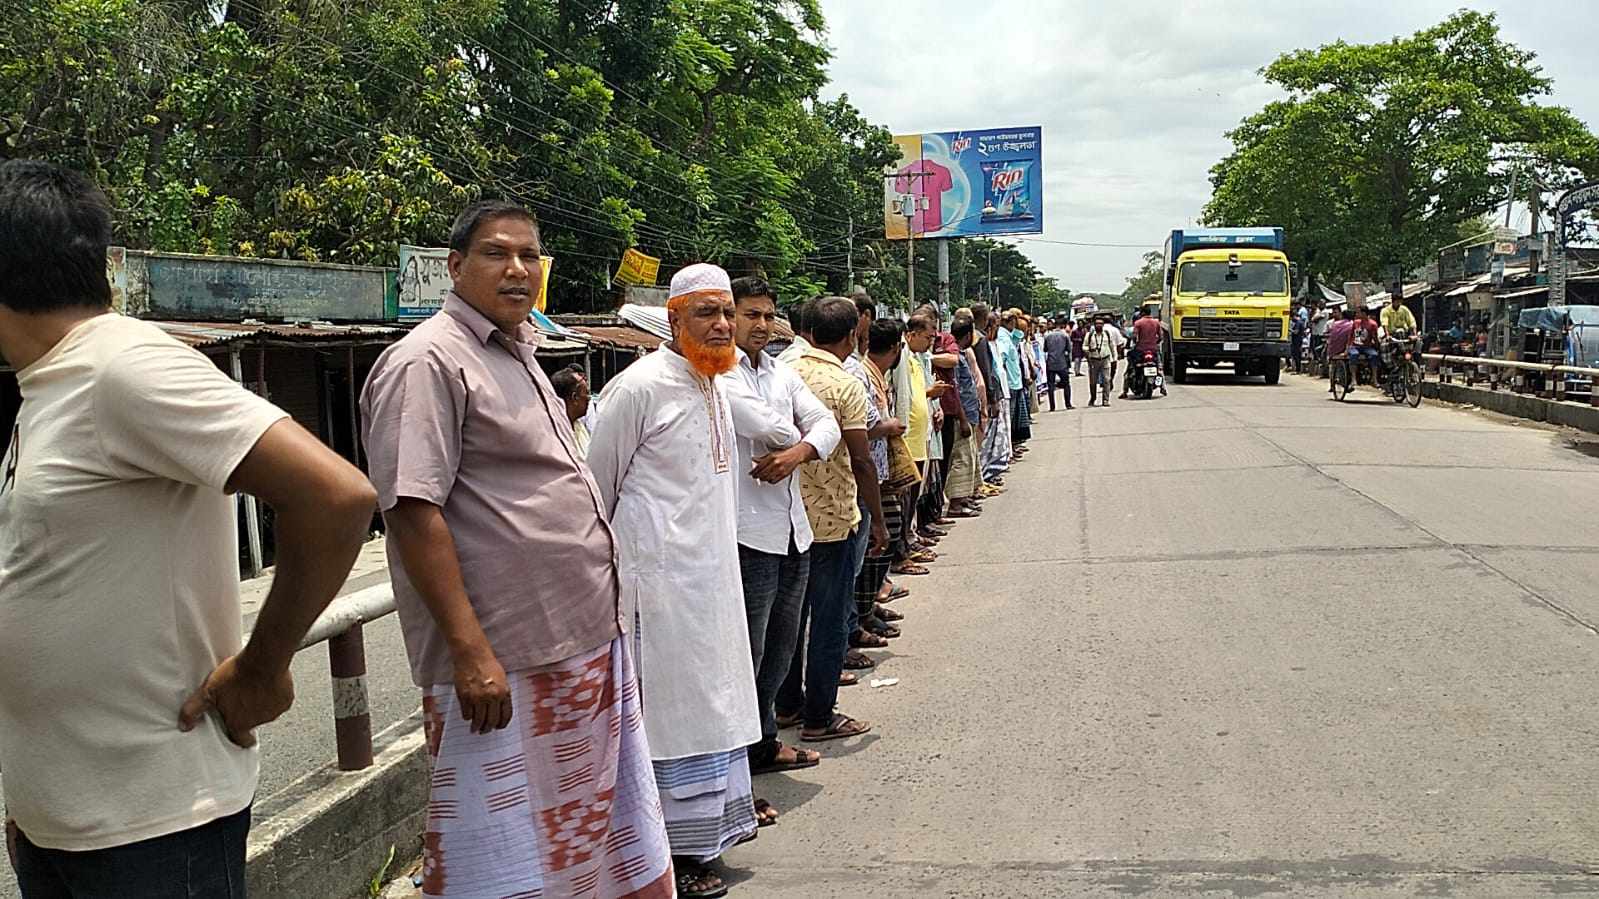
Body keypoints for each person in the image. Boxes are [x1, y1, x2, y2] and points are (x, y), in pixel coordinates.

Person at [0, 159, 377, 899]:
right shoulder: (48, 387)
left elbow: (336, 497)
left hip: (154, 830)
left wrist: (262, 666)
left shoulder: (123, 367)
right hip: (60, 820)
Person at [360, 199, 674, 899]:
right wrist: (470, 652)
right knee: (504, 853)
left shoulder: (520, 349)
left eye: (529, 255)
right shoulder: (426, 360)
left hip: (578, 639)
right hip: (505, 658)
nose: (517, 269)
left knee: (585, 835)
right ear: (454, 266)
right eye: (497, 253)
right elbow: (413, 510)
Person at [585, 263, 774, 896]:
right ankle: (663, 852)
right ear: (673, 319)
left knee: (714, 706)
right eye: (705, 313)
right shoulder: (638, 389)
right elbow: (595, 491)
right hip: (657, 592)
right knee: (669, 720)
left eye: (727, 312)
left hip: (713, 584)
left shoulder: (716, 383)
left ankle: (713, 830)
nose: (722, 324)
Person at [725, 276, 836, 804]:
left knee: (781, 648)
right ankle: (736, 766)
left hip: (793, 528)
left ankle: (763, 742)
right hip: (748, 534)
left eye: (769, 316)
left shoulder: (779, 370)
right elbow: (769, 427)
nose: (762, 325)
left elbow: (825, 425)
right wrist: (800, 440)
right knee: (748, 651)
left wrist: (797, 453)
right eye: (752, 315)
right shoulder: (720, 374)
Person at [776, 296, 885, 744]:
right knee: (828, 618)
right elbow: (862, 459)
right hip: (833, 518)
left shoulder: (776, 370)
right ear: (851, 335)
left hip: (780, 518)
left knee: (786, 622)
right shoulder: (843, 384)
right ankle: (821, 714)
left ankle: (787, 707)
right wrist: (877, 519)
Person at [549, 362, 592, 459]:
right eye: (586, 393)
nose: (589, 398)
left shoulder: (579, 426)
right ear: (575, 397)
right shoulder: (555, 436)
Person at [1128, 308, 1167, 397]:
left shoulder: (1138, 323)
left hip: (1140, 350)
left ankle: (1125, 390)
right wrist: (1155, 343)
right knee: (1159, 368)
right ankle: (1163, 388)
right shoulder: (1156, 322)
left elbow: (1134, 336)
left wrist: (1136, 343)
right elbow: (1161, 336)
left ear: (1142, 313)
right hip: (1153, 350)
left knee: (1130, 367)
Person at [1084, 315, 1117, 406]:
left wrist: (1114, 358)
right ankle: (1093, 398)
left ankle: (1105, 400)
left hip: (1105, 359)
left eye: (1101, 324)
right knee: (1093, 381)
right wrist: (1088, 351)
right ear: (1094, 325)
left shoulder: (1107, 334)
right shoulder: (1089, 335)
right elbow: (1085, 346)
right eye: (1097, 324)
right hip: (1093, 360)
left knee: (1106, 380)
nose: (1099, 325)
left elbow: (1112, 346)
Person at [1042, 317, 1073, 410]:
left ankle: (1052, 406)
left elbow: (1045, 349)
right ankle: (1068, 404)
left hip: (1051, 362)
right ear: (1063, 325)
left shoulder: (1048, 336)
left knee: (1050, 385)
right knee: (1066, 384)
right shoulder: (1065, 336)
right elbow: (1068, 349)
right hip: (1062, 362)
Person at [1325, 306, 1357, 393]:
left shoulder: (1334, 324)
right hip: (1346, 349)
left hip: (1333, 350)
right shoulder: (1352, 325)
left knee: (1333, 366)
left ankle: (1333, 385)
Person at [1350, 305, 1381, 382]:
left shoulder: (1372, 324)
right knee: (1354, 355)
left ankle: (1374, 378)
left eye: (1358, 312)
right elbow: (1351, 336)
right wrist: (1348, 347)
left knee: (1374, 355)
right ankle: (1353, 378)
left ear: (1364, 313)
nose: (1356, 314)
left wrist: (1377, 346)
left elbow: (1375, 337)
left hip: (1367, 346)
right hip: (1355, 346)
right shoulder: (1356, 322)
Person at [1289, 301, 1307, 374]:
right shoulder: (1299, 322)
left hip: (1297, 341)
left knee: (1297, 355)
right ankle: (1296, 369)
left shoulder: (1298, 323)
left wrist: (1289, 330)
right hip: (1297, 340)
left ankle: (1298, 370)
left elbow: (1296, 332)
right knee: (1296, 355)